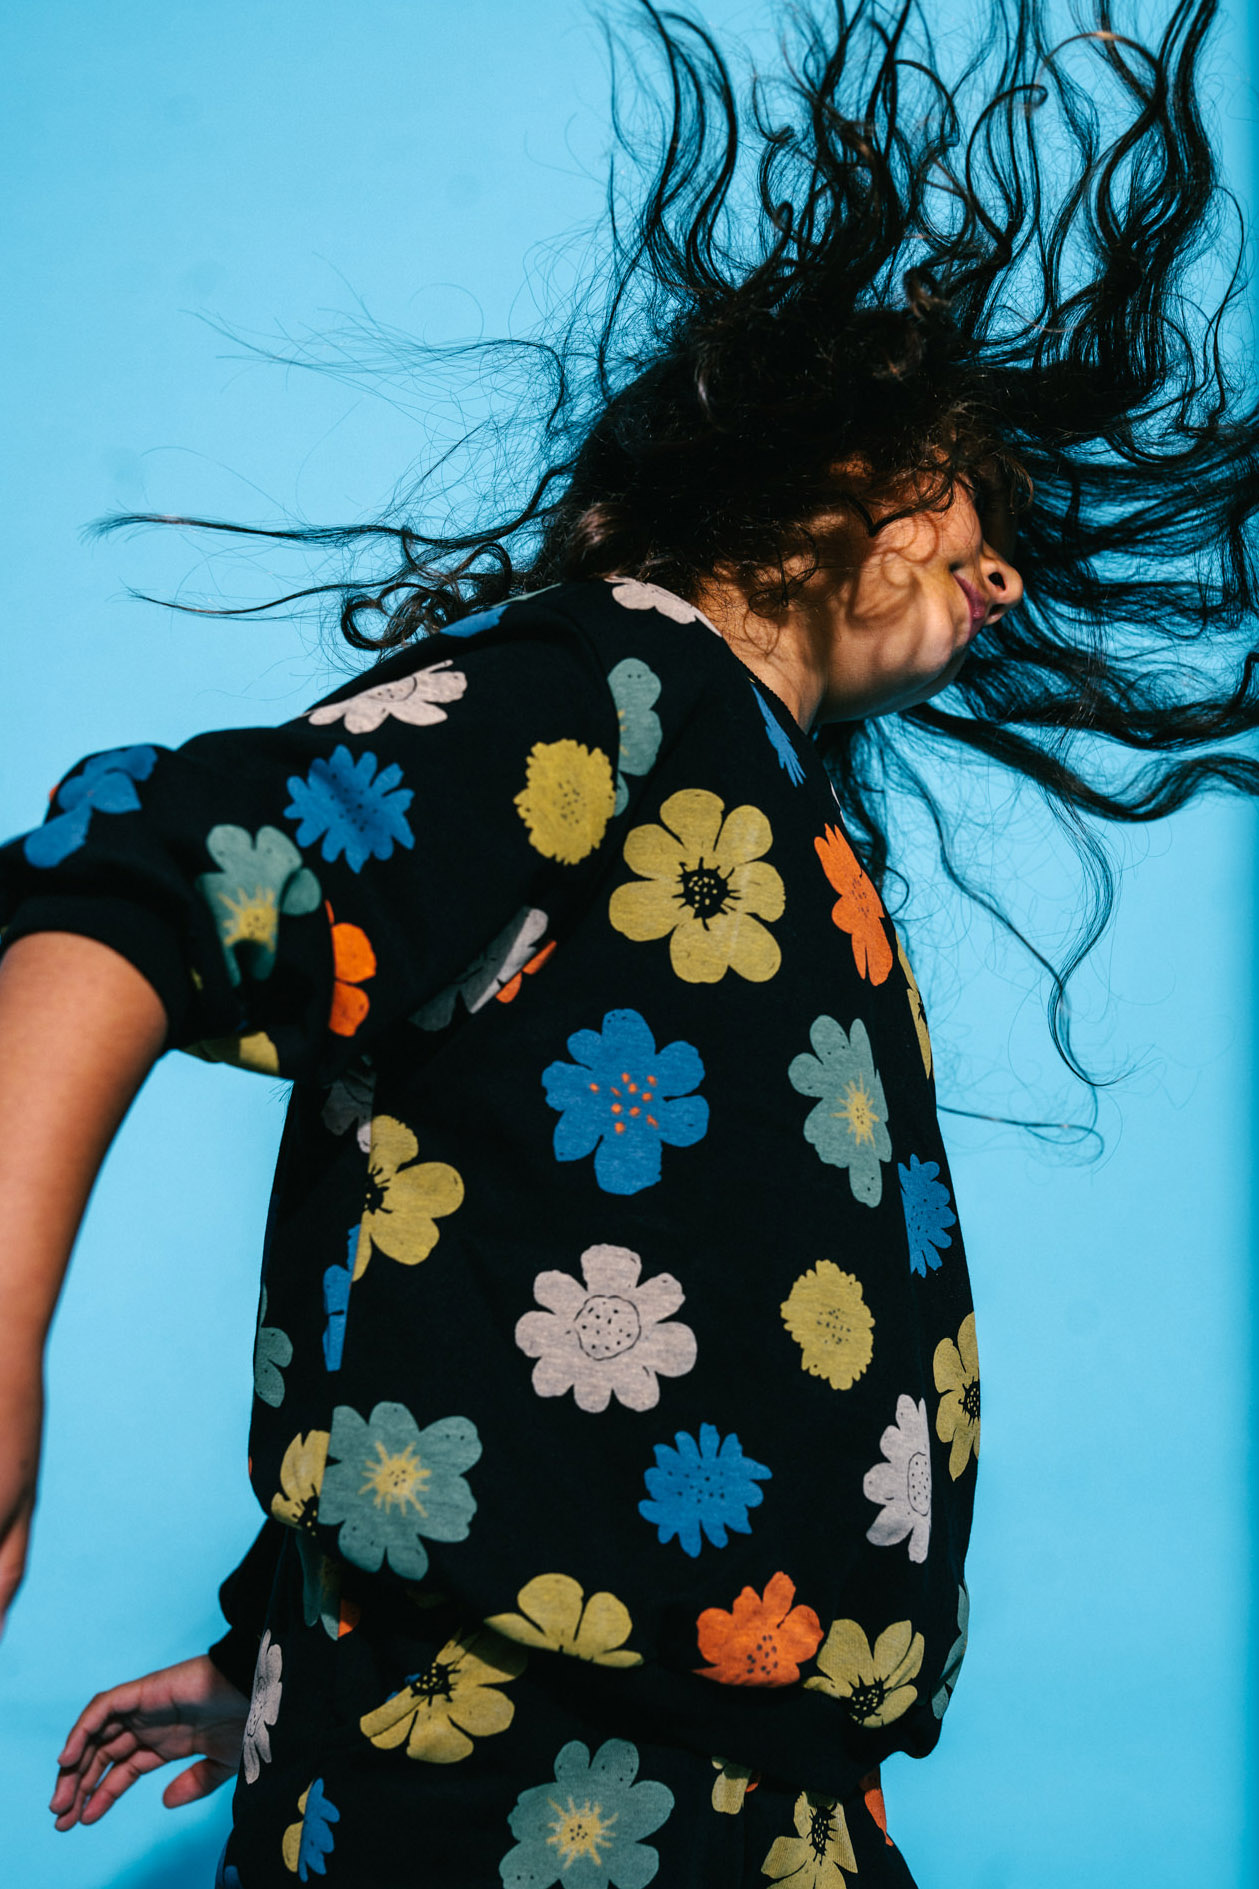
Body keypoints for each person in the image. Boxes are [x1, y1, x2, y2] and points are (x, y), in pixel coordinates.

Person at [2, 2, 1256, 1883]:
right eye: (957, 507)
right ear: (818, 471)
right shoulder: (606, 690)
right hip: (522, 1792)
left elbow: (450, 1233)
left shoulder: (763, 810)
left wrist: (269, 1648)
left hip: (760, 1789)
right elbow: (131, 884)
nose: (1000, 574)